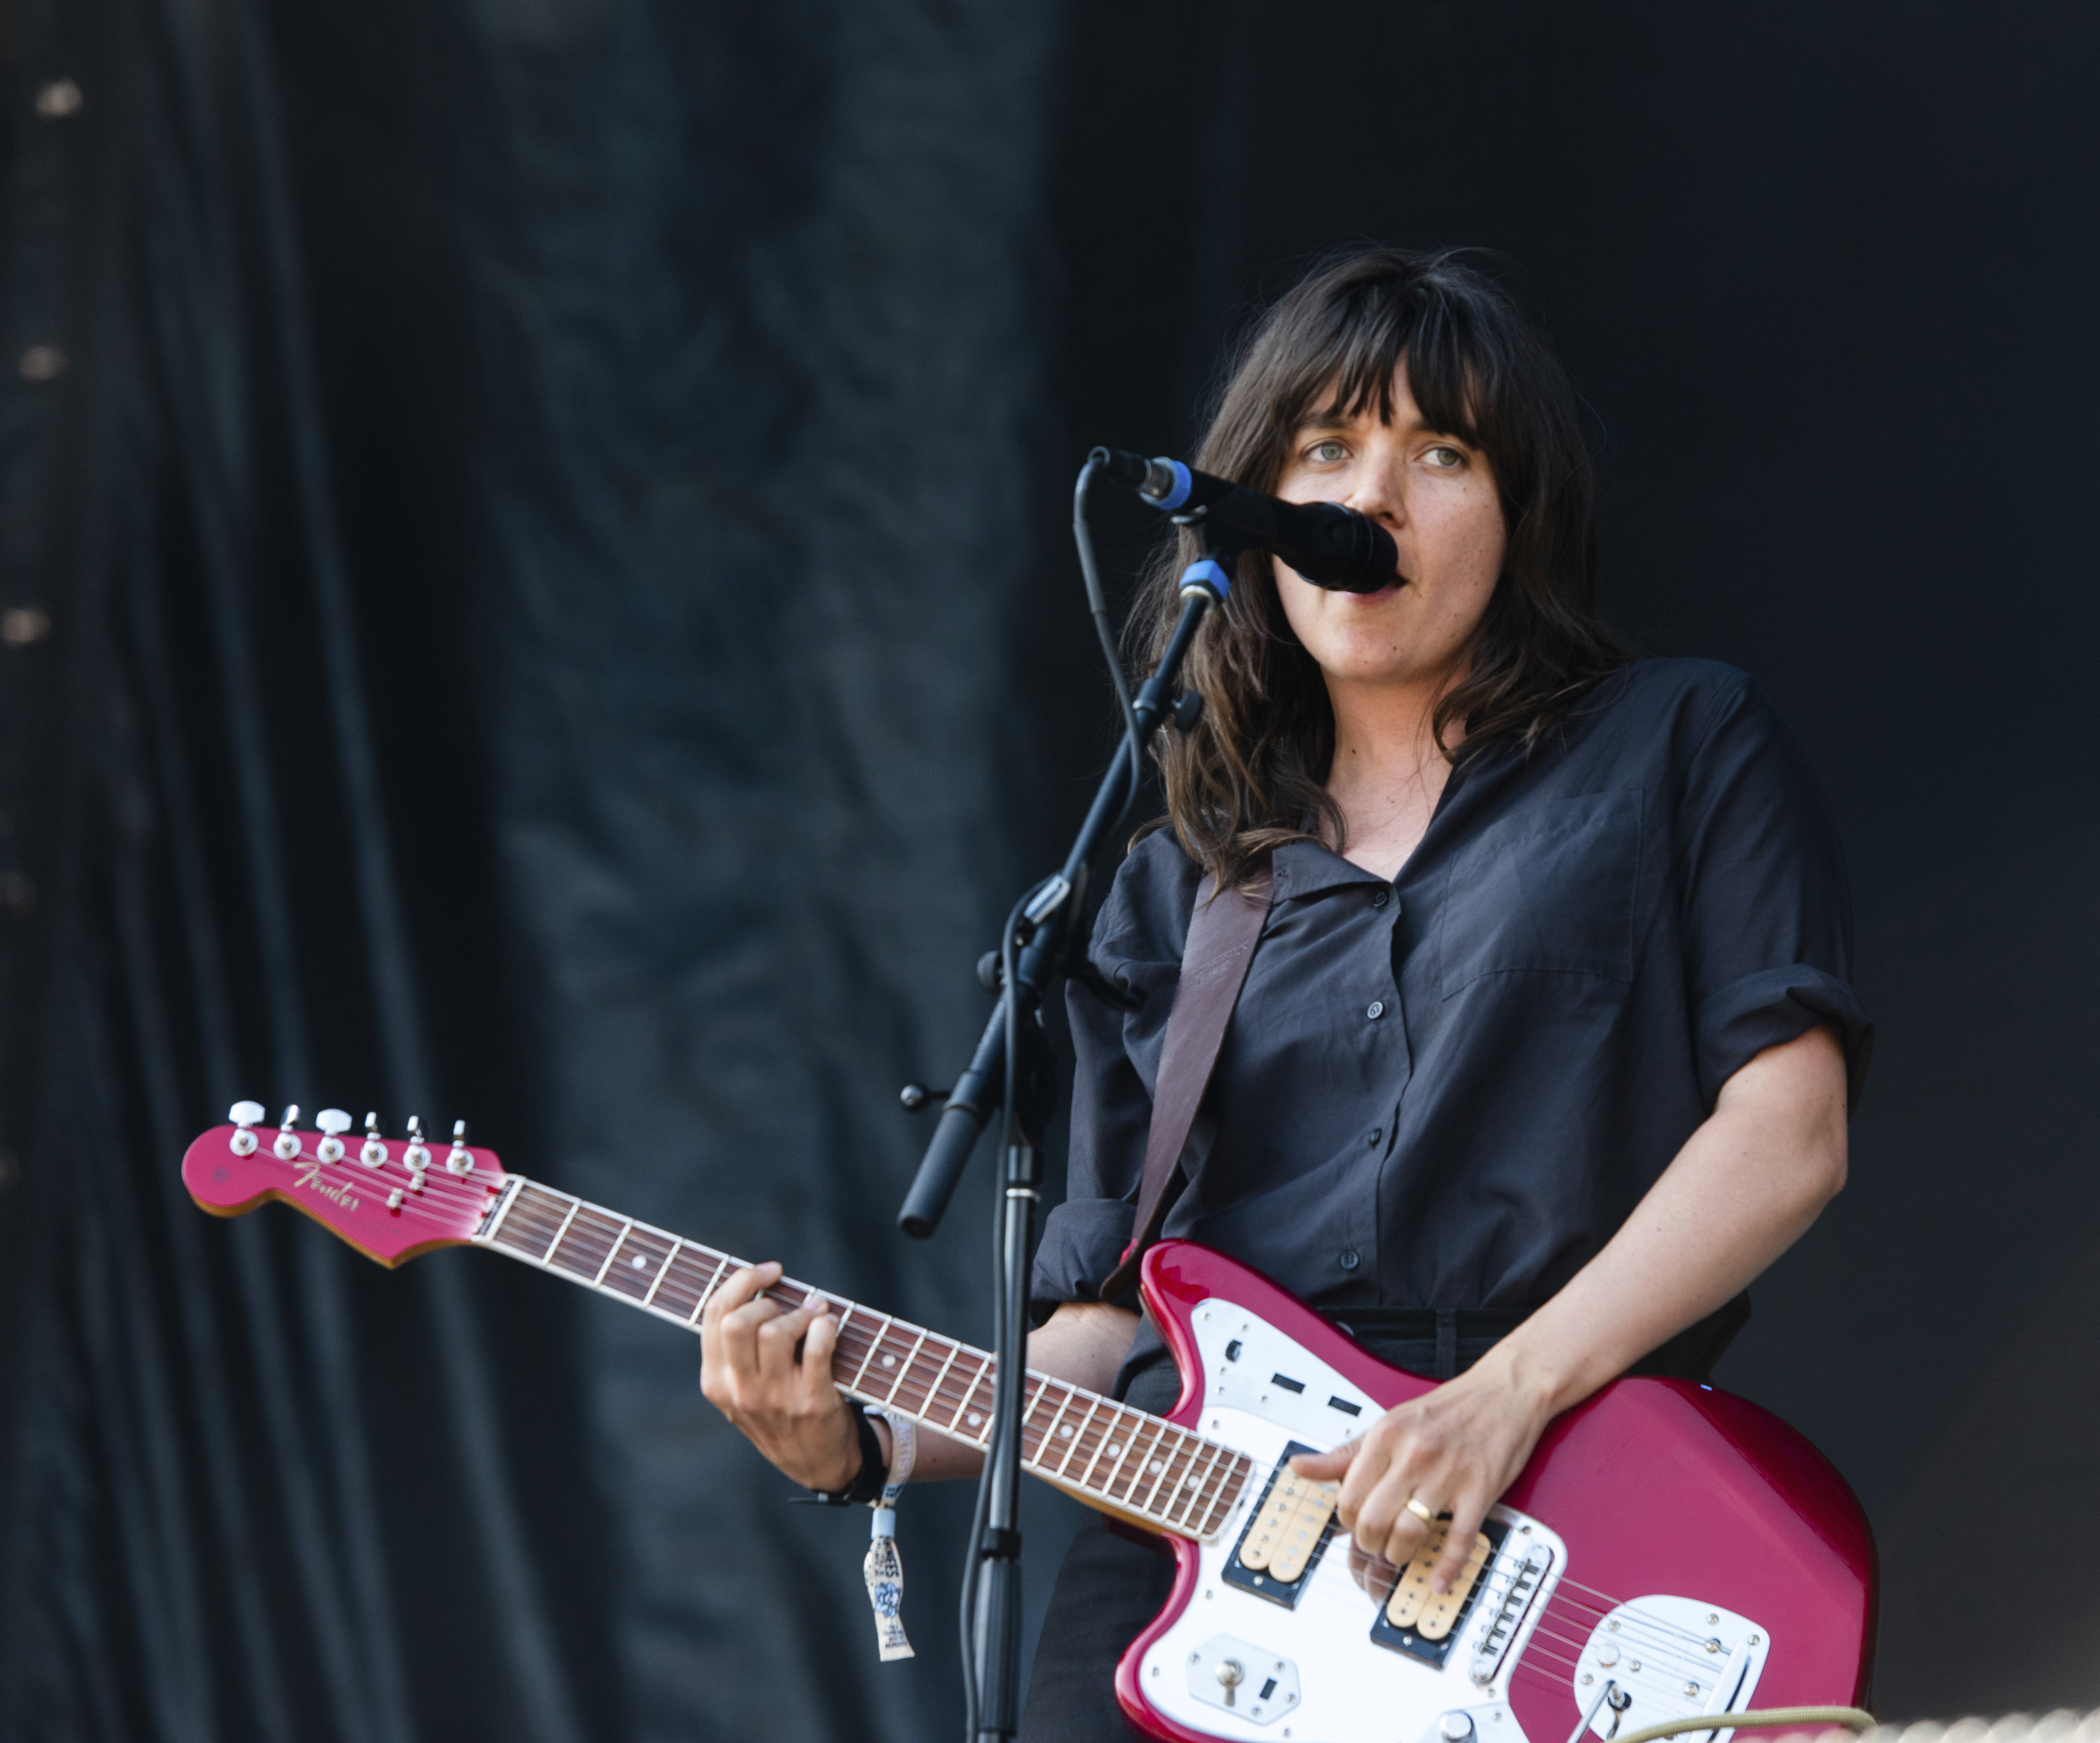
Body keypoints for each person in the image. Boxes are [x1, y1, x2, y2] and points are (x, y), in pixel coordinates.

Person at [696, 247, 1870, 1741]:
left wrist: (1500, 1400)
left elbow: (1790, 1128)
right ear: (1254, 520)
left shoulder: (1680, 746)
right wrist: (859, 1436)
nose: (1367, 499)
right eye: (1324, 448)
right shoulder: (1169, 884)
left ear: (1519, 517)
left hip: (1548, 1500)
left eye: (1438, 453)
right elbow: (1107, 1326)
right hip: (1203, 1570)